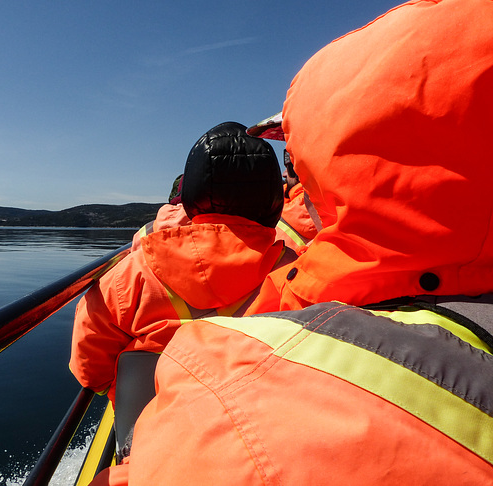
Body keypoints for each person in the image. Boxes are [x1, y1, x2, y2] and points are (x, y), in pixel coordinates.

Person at [89, 0, 493, 484]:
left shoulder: (134, 279)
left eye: (300, 160)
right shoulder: (286, 260)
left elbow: (92, 360)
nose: (295, 174)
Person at [69, 121, 294, 438]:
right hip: (260, 432)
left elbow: (89, 364)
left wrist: (123, 390)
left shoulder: (128, 275)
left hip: (153, 433)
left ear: (190, 195)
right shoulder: (298, 274)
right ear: (274, 199)